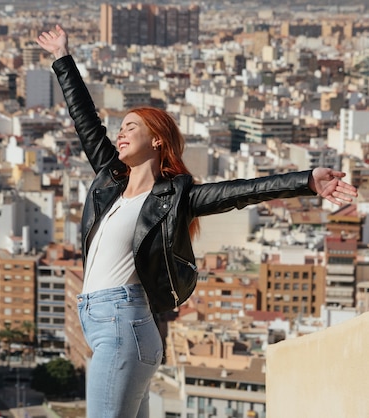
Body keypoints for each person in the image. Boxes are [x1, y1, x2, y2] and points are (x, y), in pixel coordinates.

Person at [36, 25, 358, 418]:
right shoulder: (109, 181)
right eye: (120, 128)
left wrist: (306, 181)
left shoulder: (176, 198)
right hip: (106, 324)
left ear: (157, 140)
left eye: (131, 127)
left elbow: (241, 191)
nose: (120, 133)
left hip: (124, 325)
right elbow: (86, 122)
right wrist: (62, 59)